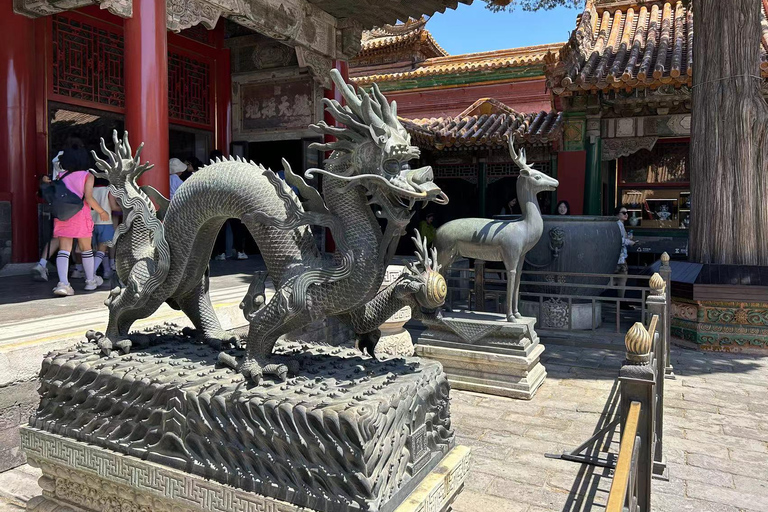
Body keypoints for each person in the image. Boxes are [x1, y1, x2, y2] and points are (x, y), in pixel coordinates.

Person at [50, 146, 109, 296]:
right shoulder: (87, 175)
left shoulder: (60, 176)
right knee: (86, 249)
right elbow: (88, 197)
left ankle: (63, 284)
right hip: (80, 214)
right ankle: (90, 281)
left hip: (63, 214)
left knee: (64, 250)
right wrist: (101, 211)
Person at [91, 178, 120, 280]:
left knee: (94, 250)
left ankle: (105, 270)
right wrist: (124, 208)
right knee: (102, 249)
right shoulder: (109, 190)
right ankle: (91, 274)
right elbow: (113, 207)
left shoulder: (90, 189)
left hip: (91, 222)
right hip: (105, 222)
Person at [615, 205, 637, 304]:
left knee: (620, 278)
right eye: (623, 213)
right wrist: (629, 242)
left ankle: (621, 300)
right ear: (618, 214)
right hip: (619, 257)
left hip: (621, 256)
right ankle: (621, 300)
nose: (626, 214)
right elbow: (619, 240)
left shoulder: (621, 225)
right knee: (622, 278)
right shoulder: (618, 224)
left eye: (626, 212)